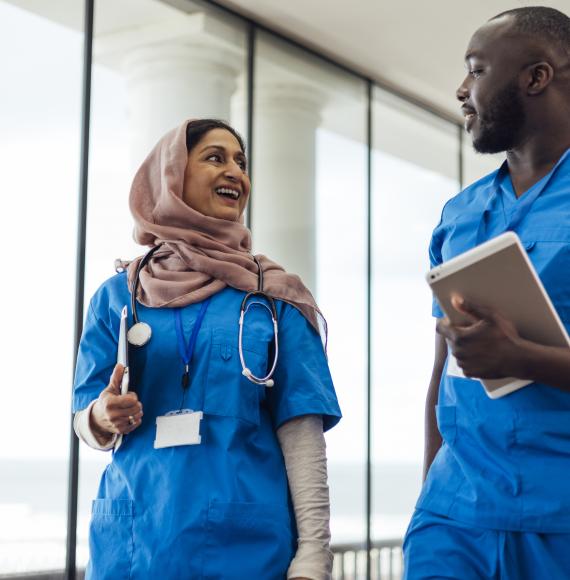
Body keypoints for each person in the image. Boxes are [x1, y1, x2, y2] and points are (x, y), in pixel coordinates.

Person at [73, 118, 341, 580]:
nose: (235, 172)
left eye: (241, 162)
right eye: (215, 158)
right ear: (172, 176)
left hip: (247, 552)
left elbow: (302, 433)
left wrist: (314, 556)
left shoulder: (274, 297)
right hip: (133, 549)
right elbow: (85, 415)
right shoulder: (118, 296)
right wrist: (102, 416)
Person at [403, 6, 570, 579]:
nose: (461, 89)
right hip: (453, 518)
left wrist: (524, 359)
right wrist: (428, 497)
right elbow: (444, 367)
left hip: (559, 518)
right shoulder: (460, 213)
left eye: (476, 70)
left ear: (535, 77)